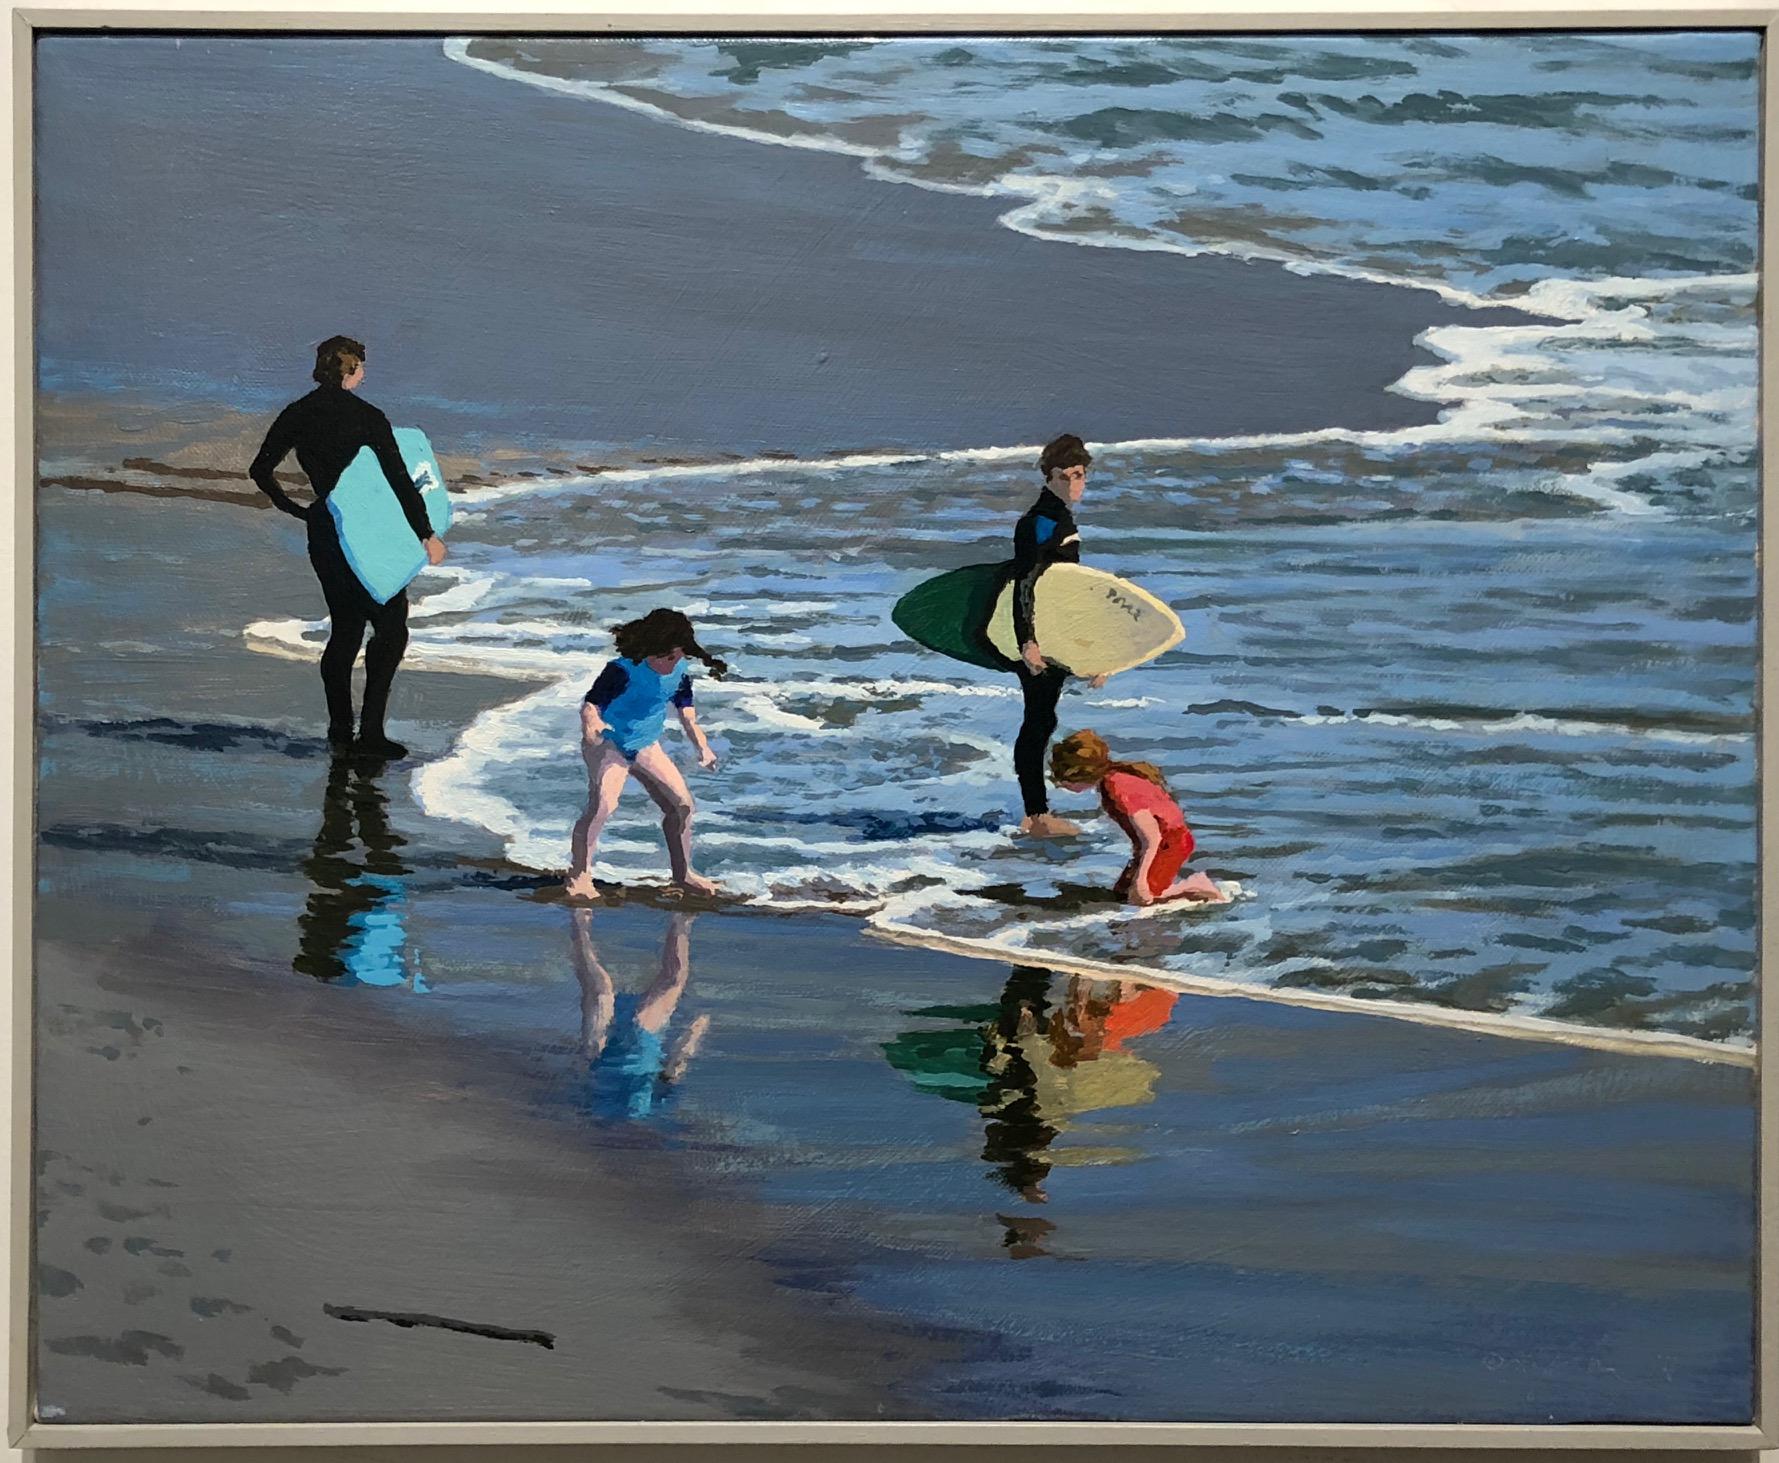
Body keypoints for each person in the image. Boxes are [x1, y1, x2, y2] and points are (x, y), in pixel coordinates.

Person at [249, 335, 447, 760]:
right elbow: (399, 480)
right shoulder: (369, 418)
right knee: (390, 630)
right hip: (369, 530)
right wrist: (426, 534)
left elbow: (260, 469)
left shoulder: (298, 413)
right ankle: (370, 733)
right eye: (361, 367)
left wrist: (301, 510)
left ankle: (341, 732)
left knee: (345, 629)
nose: (363, 373)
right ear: (351, 370)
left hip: (326, 529)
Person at [565, 609, 726, 903]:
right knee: (603, 805)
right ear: (652, 649)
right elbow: (590, 706)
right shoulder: (622, 669)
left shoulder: (679, 674)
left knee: (682, 806)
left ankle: (683, 874)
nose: (672, 663)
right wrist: (592, 726)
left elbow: (688, 717)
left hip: (645, 746)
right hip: (608, 743)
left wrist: (703, 747)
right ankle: (579, 875)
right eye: (667, 657)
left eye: (677, 657)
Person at [1010, 433, 1105, 837]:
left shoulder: (1061, 518)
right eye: (1063, 476)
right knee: (1038, 720)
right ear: (1048, 477)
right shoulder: (1042, 521)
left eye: (1079, 475)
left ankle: (1036, 813)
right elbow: (1025, 583)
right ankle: (1035, 816)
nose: (1072, 484)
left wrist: (1095, 653)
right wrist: (1028, 642)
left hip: (1054, 630)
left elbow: (1068, 592)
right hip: (1039, 634)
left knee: (1043, 718)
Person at [1049, 729, 1227, 907]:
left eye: (1064, 778)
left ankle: (1194, 887)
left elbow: (1153, 838)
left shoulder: (1118, 786)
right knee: (1121, 894)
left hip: (1170, 842)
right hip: (1157, 842)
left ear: (1081, 773)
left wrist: (1141, 879)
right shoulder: (1111, 779)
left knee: (1142, 898)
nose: (1059, 783)